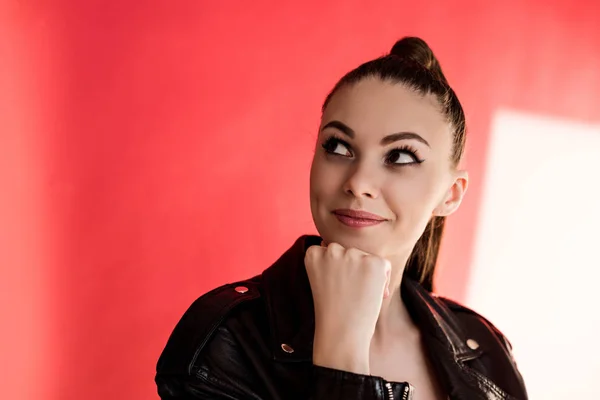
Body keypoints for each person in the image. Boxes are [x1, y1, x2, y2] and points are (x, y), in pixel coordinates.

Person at [155, 37, 528, 400]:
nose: (359, 183)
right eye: (338, 147)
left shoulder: (485, 352)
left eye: (399, 156)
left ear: (452, 194)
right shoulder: (227, 339)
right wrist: (341, 356)